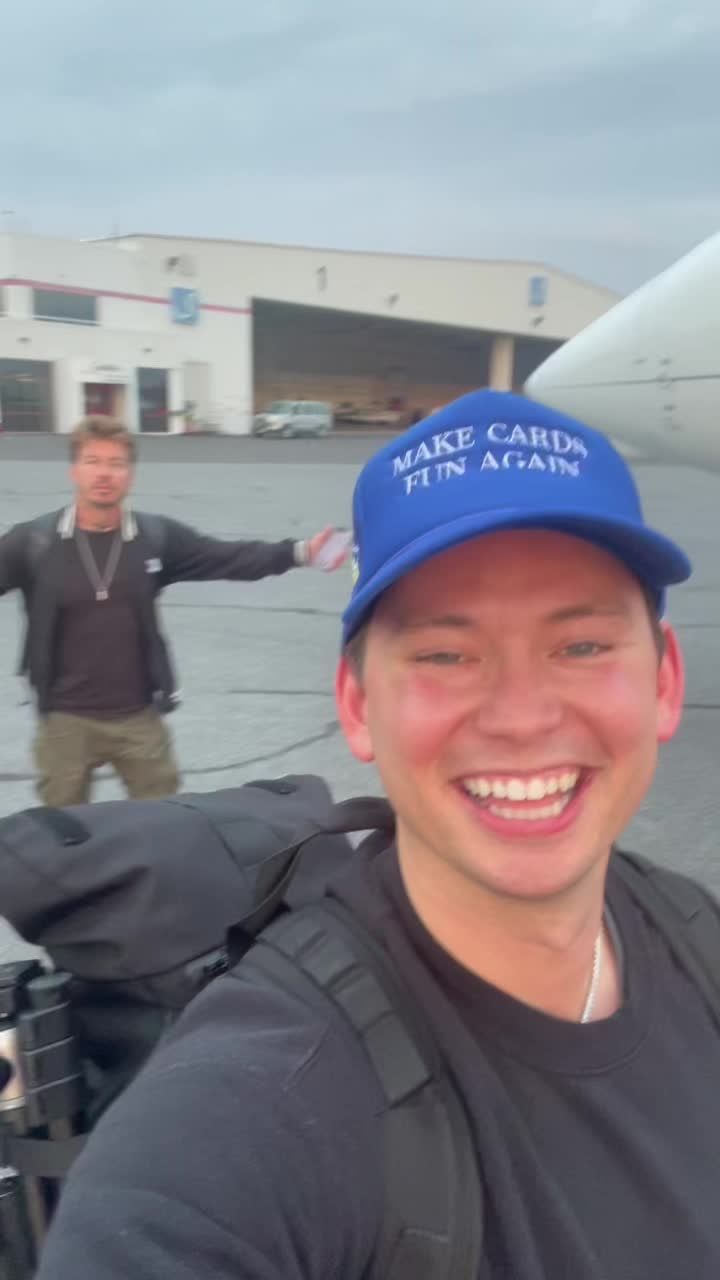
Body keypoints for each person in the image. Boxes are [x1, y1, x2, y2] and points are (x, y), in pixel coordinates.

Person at [35, 390, 720, 1280]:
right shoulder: (258, 1106)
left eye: (583, 645)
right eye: (445, 654)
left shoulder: (699, 940)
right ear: (357, 705)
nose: (521, 717)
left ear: (664, 681)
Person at [0, 415, 348, 805]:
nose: (104, 473)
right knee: (62, 832)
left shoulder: (155, 538)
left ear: (130, 475)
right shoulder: (35, 542)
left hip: (139, 719)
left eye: (116, 463)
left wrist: (300, 553)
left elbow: (227, 557)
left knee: (164, 824)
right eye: (92, 461)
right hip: (64, 722)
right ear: (74, 470)